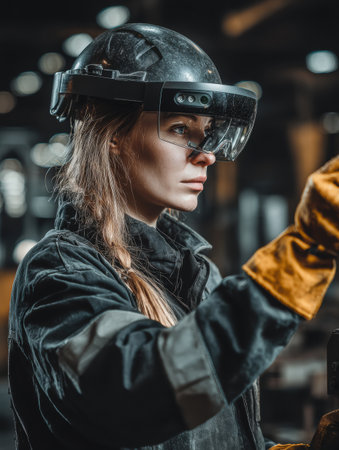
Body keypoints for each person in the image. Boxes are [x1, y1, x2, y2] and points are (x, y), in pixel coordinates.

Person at [7, 23, 339, 450]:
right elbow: (142, 391)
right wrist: (303, 253)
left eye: (206, 132)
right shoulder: (59, 273)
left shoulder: (196, 276)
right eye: (182, 129)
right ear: (113, 136)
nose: (207, 154)